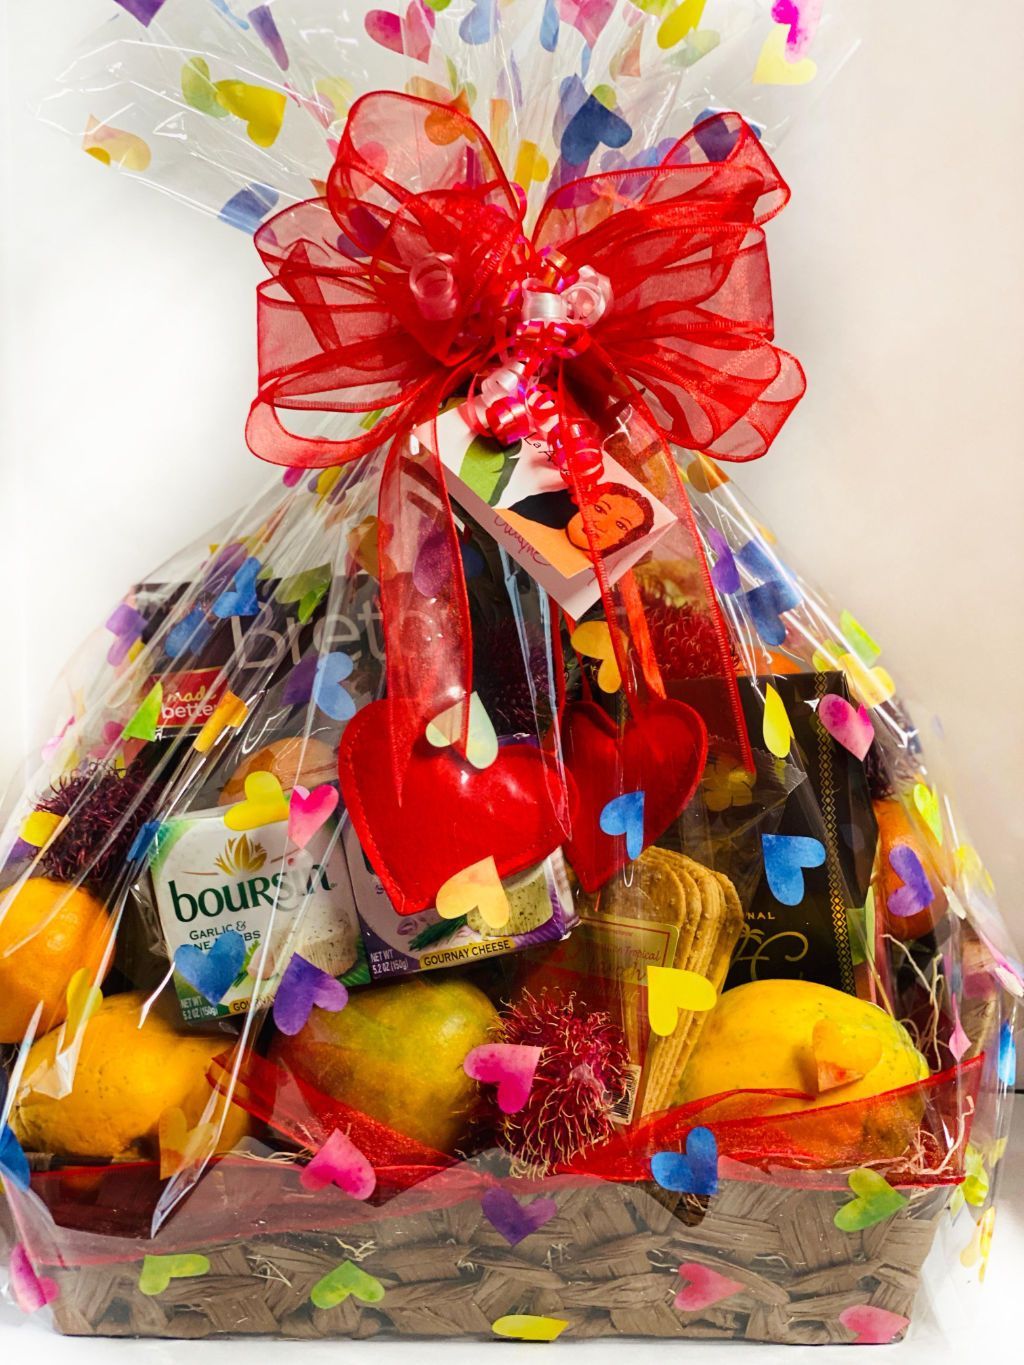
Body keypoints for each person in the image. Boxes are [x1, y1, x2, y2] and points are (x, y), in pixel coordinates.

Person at [507, 481, 654, 557]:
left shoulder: (592, 586)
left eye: (621, 525)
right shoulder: (512, 520)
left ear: (626, 539)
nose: (601, 525)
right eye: (599, 509)